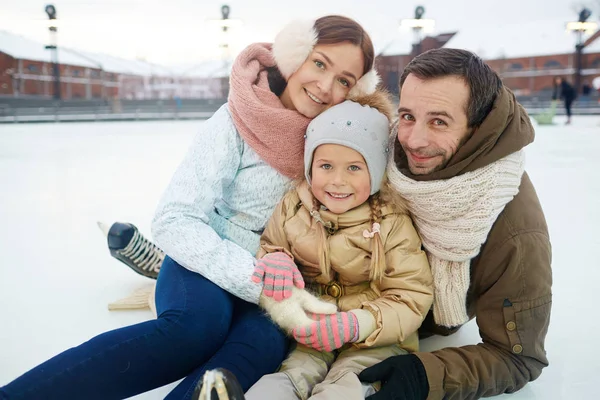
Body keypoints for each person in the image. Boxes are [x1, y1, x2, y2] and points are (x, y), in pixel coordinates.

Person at [0, 15, 379, 400]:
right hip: (209, 264)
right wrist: (256, 280)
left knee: (256, 350)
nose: (326, 86)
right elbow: (174, 218)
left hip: (285, 283)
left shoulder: (343, 142)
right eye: (319, 63)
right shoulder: (236, 120)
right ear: (295, 54)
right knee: (194, 330)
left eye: (345, 80)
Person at [357, 48, 552, 400]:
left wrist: (423, 376)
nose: (414, 140)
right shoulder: (376, 154)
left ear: (478, 127)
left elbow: (518, 356)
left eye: (439, 121)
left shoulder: (514, 229)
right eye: (407, 116)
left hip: (407, 334)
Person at [244, 93, 433, 400]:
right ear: (310, 166)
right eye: (326, 165)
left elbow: (412, 295)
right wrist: (276, 260)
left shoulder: (392, 222)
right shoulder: (294, 208)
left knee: (347, 383)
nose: (337, 181)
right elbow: (272, 245)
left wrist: (361, 323)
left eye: (354, 168)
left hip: (376, 337)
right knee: (291, 375)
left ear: (375, 171)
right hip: (313, 333)